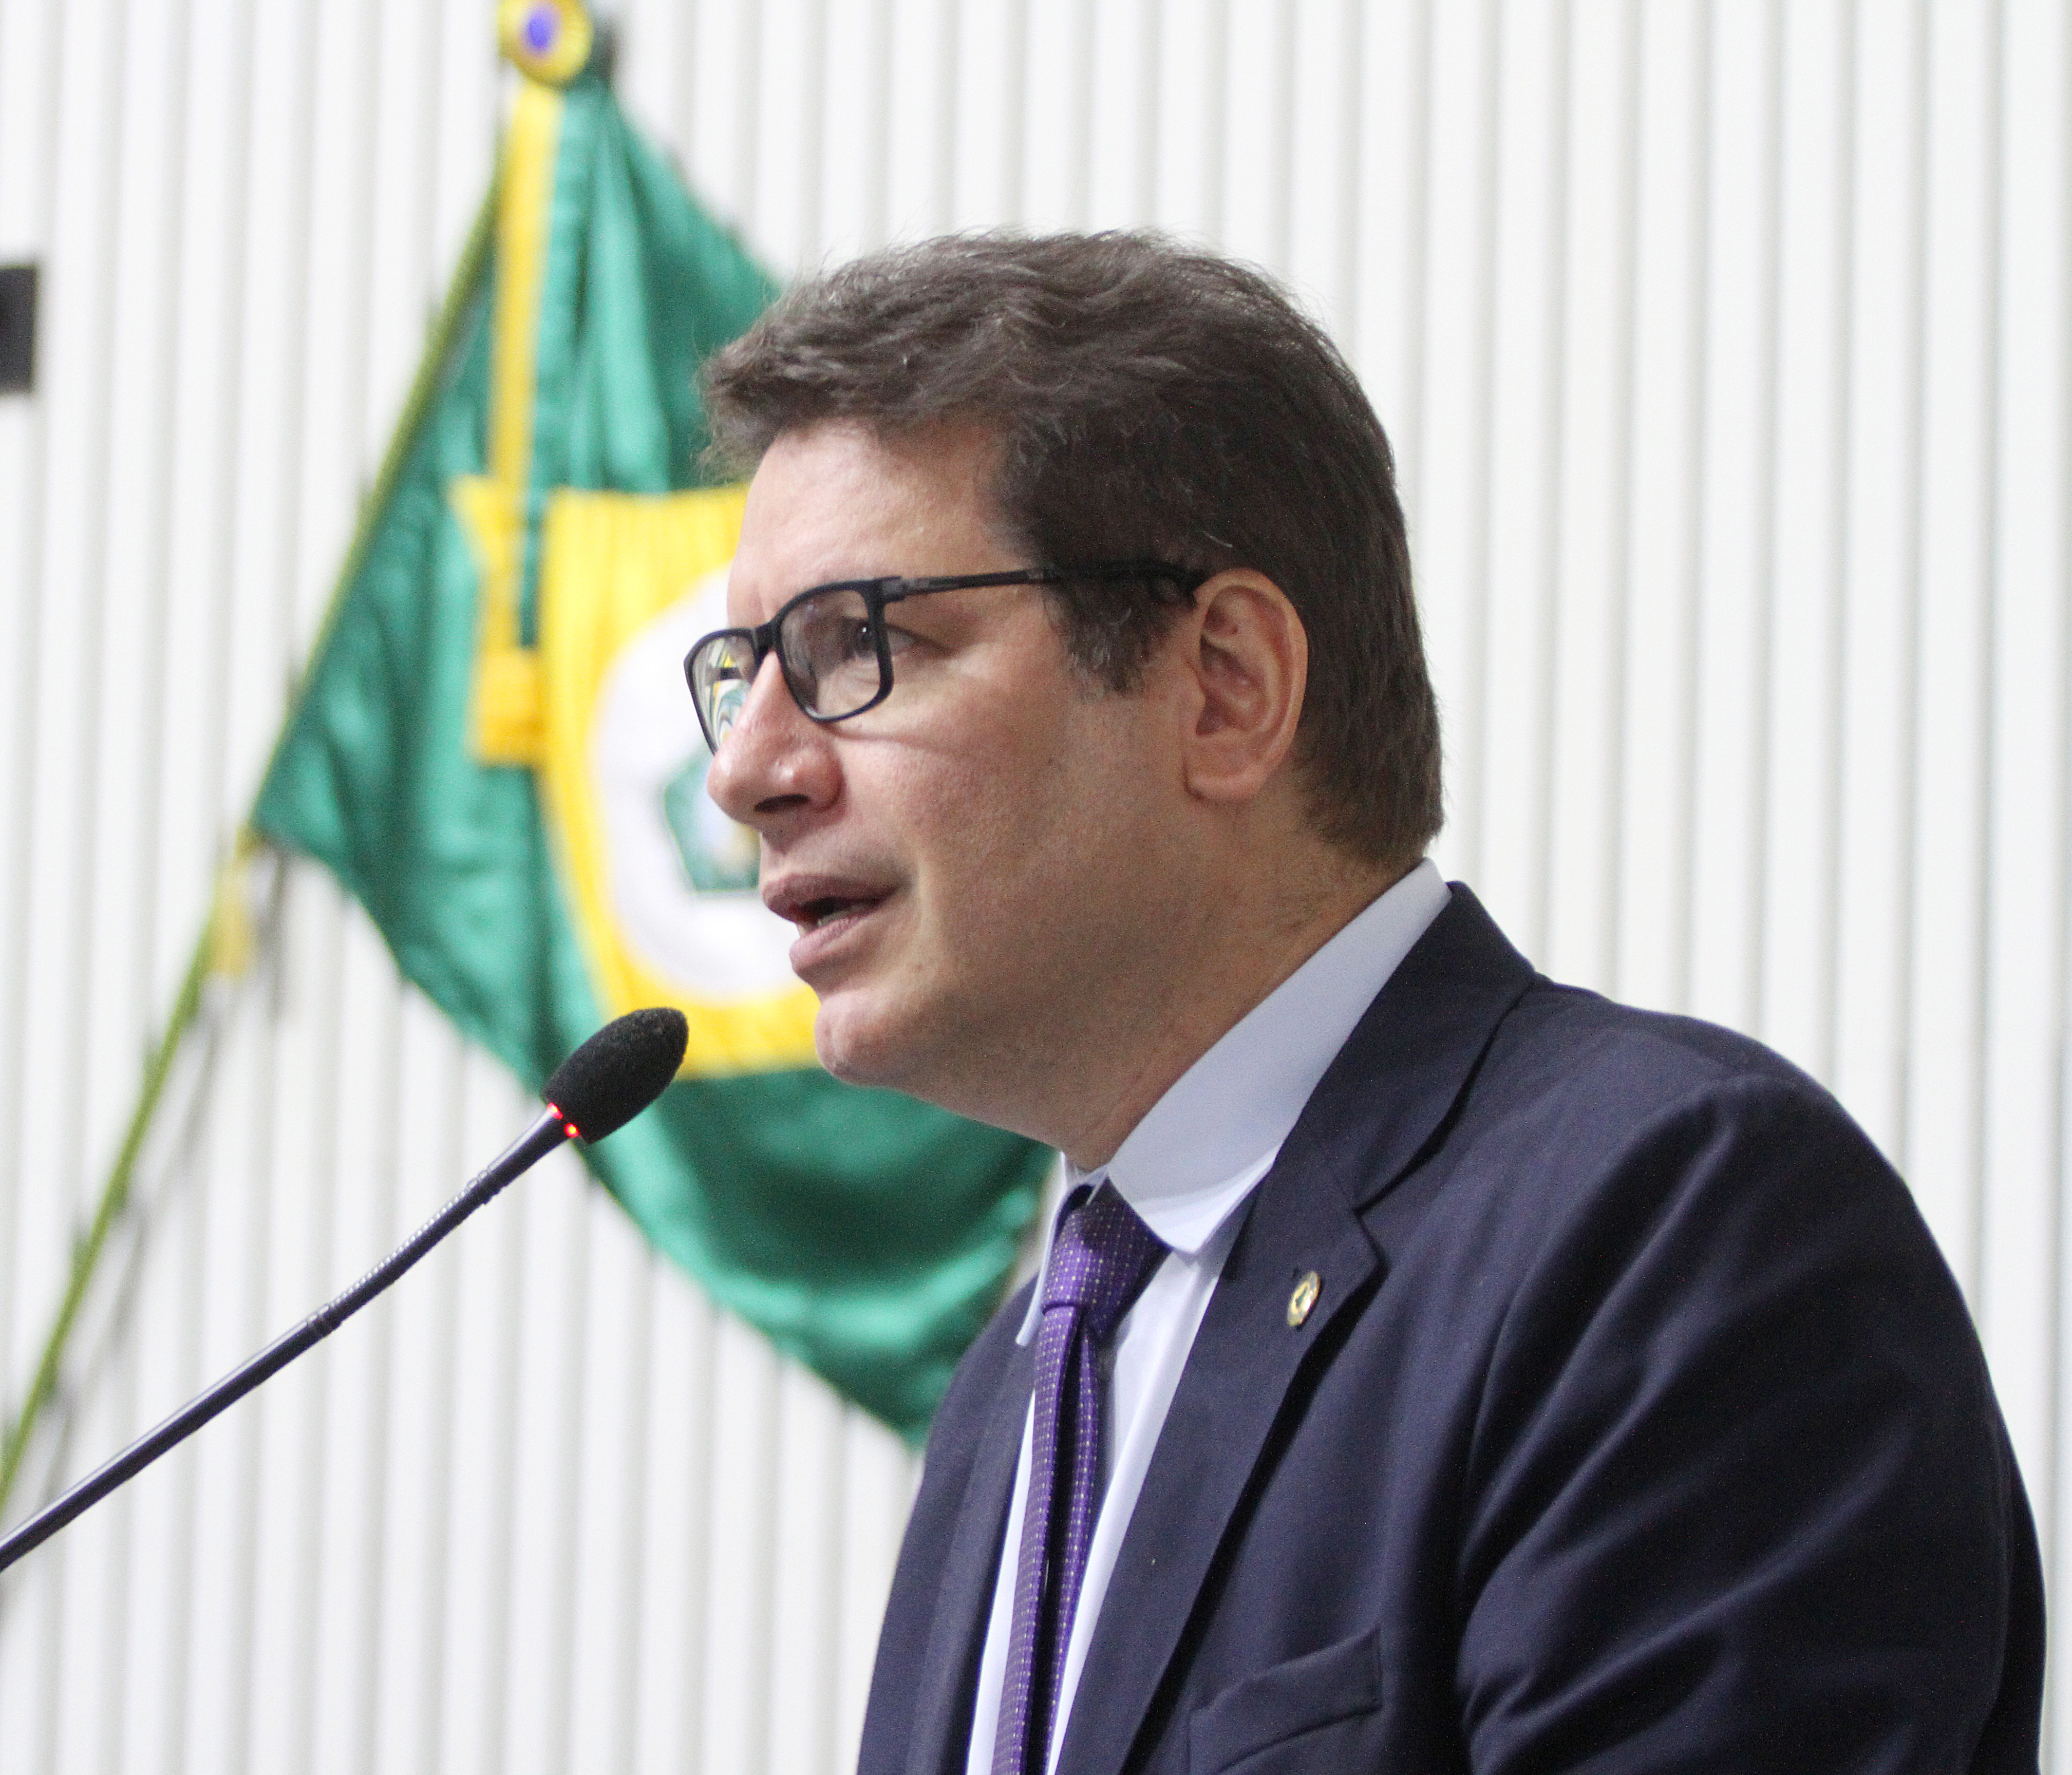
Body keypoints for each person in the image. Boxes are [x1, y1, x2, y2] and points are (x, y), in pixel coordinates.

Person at [687, 233, 2040, 1772]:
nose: (746, 771)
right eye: (740, 674)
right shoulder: (1011, 1396)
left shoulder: (1668, 1231)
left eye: (858, 645)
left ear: (1227, 685)